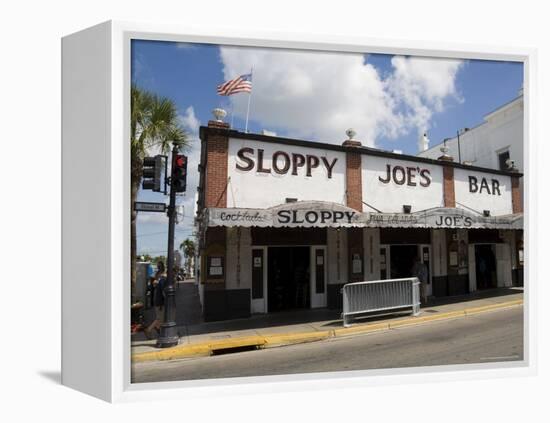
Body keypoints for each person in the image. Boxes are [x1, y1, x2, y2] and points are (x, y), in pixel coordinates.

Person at [144, 260, 166, 339]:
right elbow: (163, 291)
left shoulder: (156, 278)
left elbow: (154, 287)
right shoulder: (162, 278)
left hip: (156, 300)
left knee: (160, 318)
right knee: (160, 318)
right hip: (159, 301)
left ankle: (158, 329)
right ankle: (149, 329)